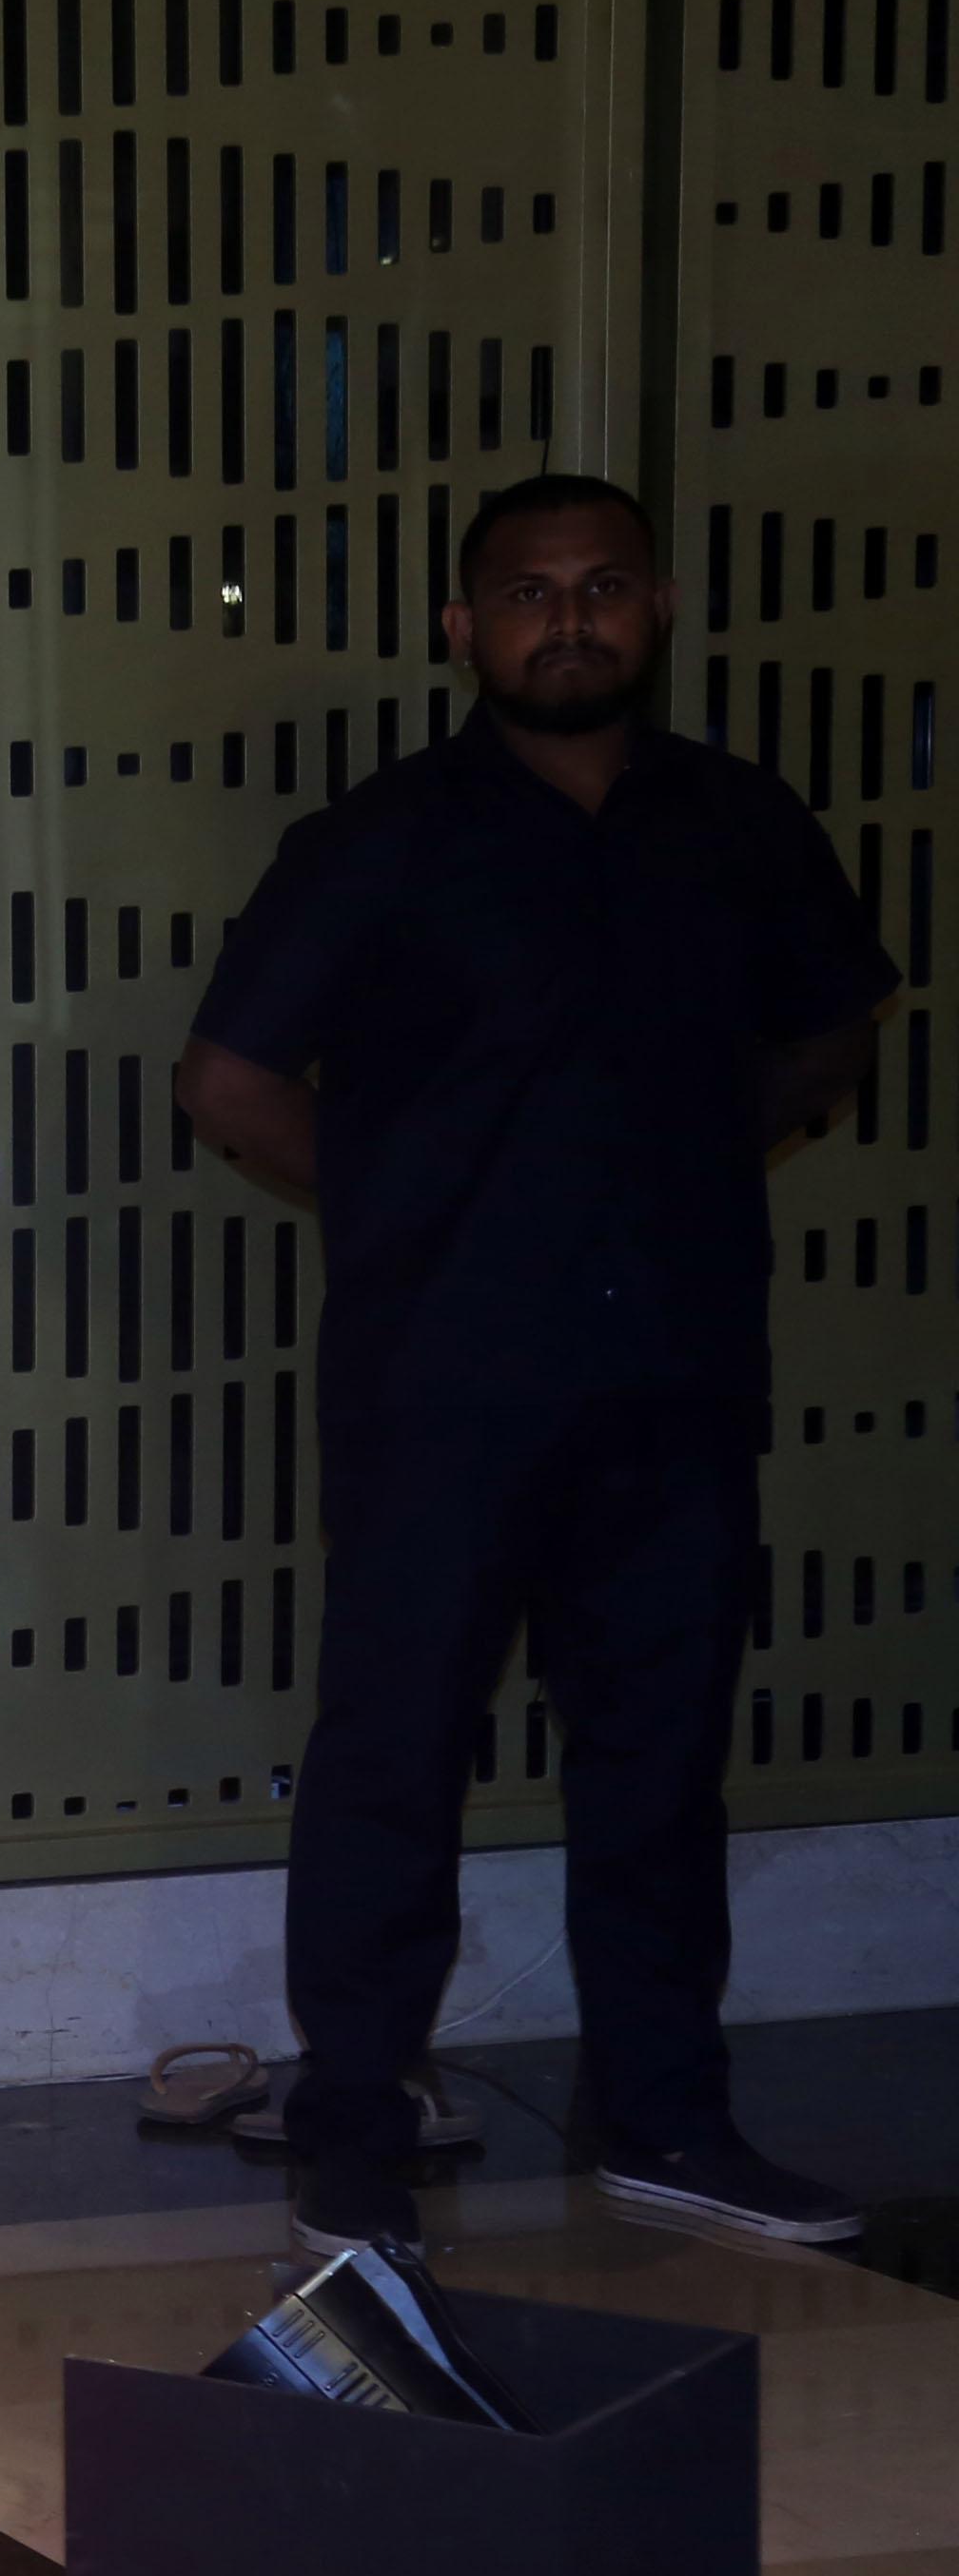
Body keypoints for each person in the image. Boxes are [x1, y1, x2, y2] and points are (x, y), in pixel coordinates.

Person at [179, 475, 893, 2256]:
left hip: (674, 1368)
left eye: (596, 589)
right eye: (522, 592)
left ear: (652, 609)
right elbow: (228, 1076)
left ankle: (666, 2117)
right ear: (460, 626)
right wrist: (411, 1195)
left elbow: (834, 1019)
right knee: (392, 1748)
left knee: (659, 1756)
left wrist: (699, 1149)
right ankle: (353, 2115)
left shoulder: (736, 823)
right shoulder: (383, 839)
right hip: (441, 1380)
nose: (561, 618)